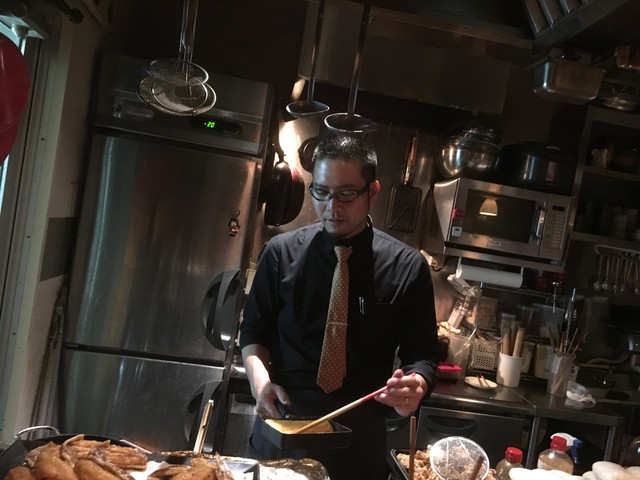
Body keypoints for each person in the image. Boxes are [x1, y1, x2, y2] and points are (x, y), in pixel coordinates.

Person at [239, 133, 439, 480]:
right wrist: (261, 383)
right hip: (283, 431)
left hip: (358, 446)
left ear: (372, 192)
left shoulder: (407, 267)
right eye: (321, 192)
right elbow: (255, 332)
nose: (332, 206)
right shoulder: (280, 253)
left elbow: (422, 354)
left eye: (346, 193)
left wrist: (416, 384)